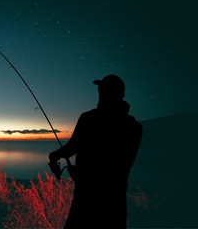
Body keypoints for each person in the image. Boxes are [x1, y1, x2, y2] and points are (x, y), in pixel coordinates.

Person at [49, 74, 143, 228]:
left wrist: (78, 171)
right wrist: (57, 156)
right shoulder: (134, 127)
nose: (99, 93)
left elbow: (72, 148)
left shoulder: (88, 119)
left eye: (102, 90)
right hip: (115, 202)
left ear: (108, 93)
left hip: (86, 199)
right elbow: (122, 166)